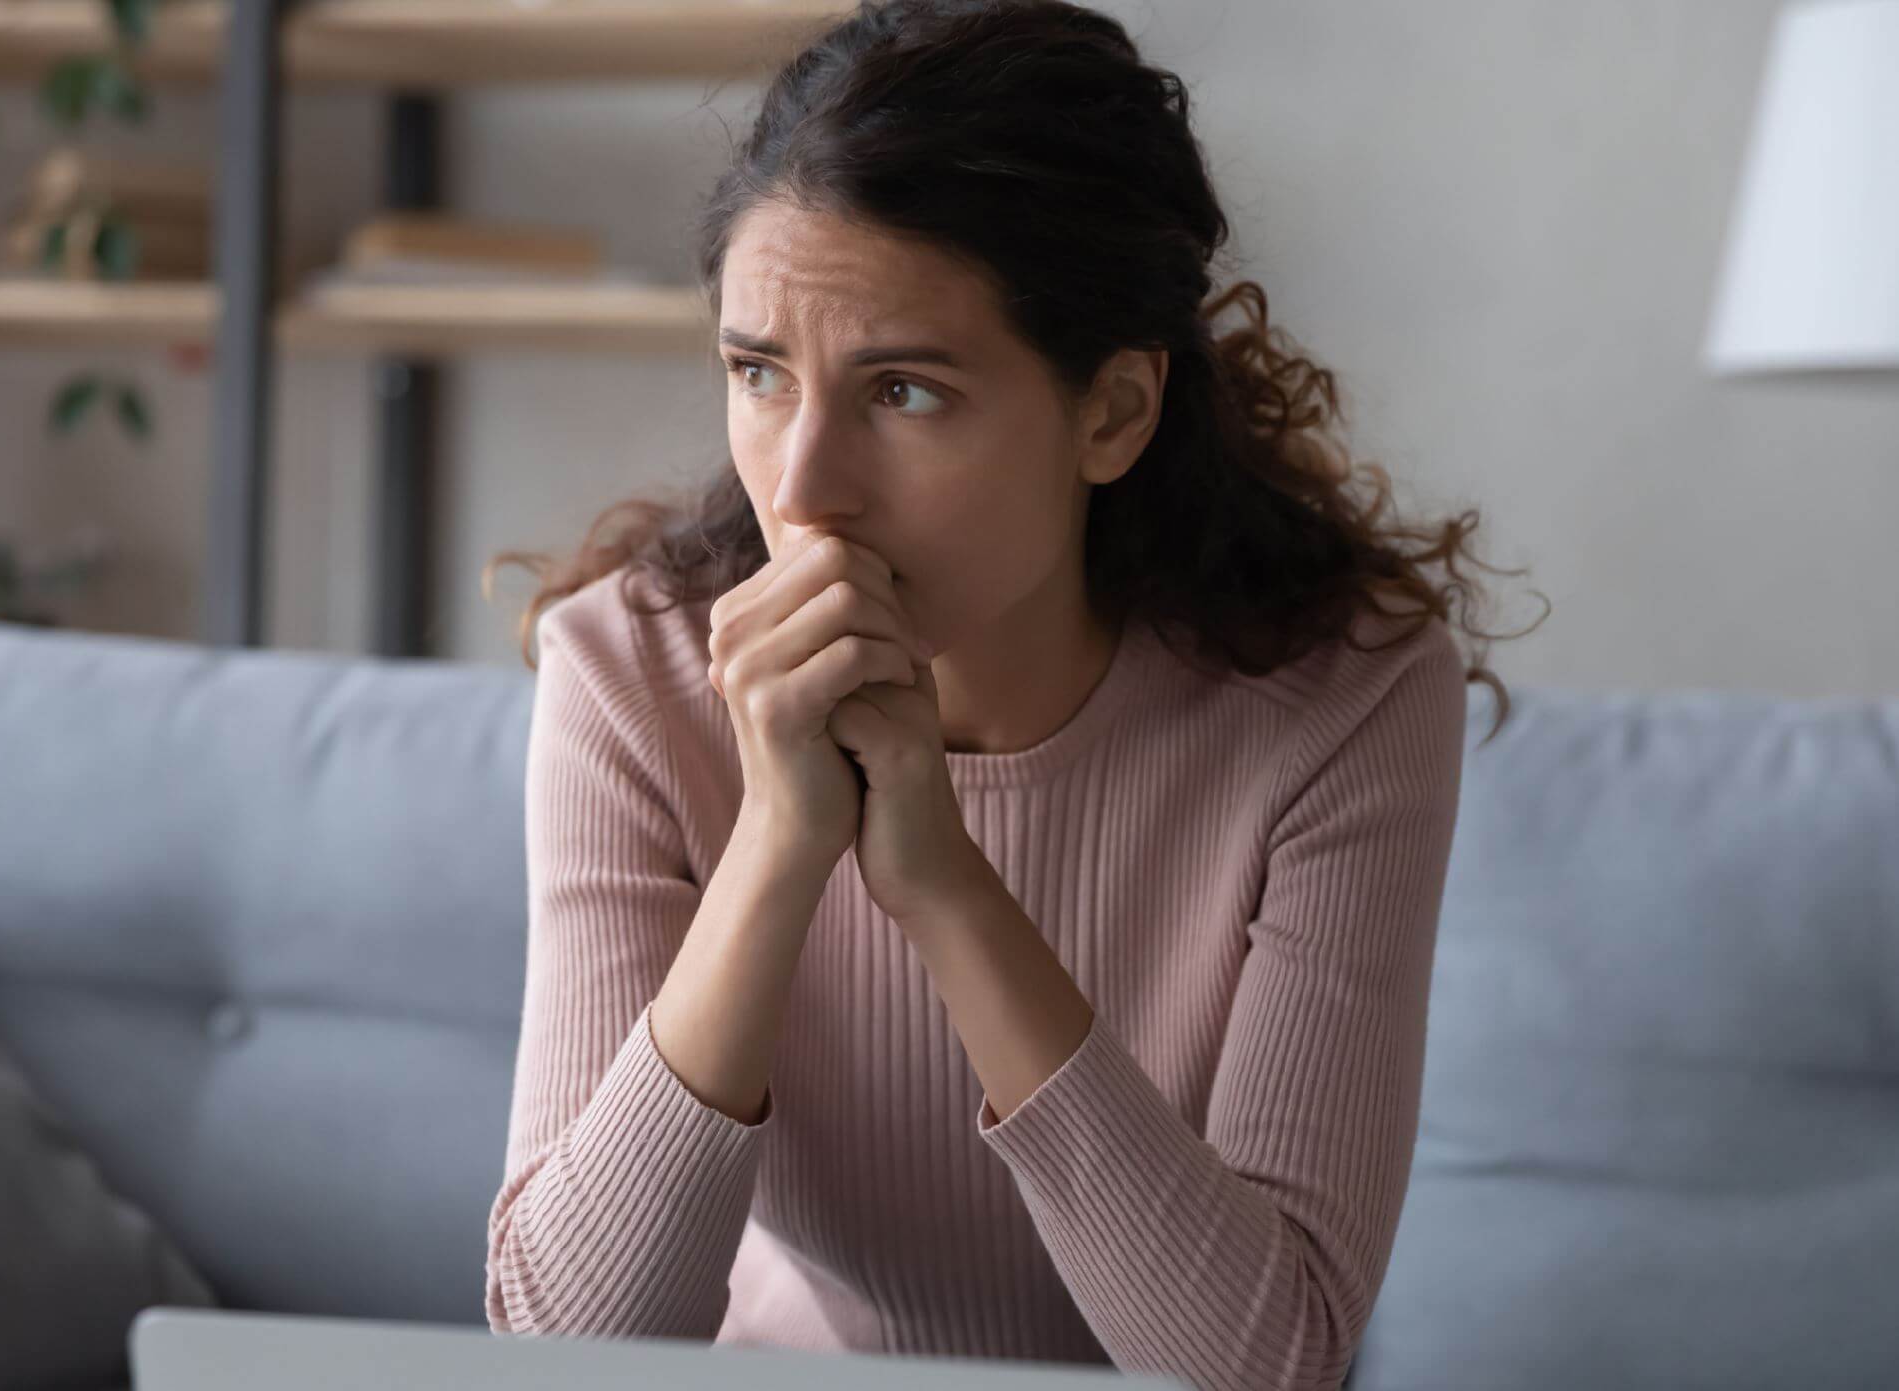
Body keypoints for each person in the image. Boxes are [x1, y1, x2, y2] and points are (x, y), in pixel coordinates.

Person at [481, 3, 1541, 1389]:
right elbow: (560, 1342)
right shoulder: (631, 676)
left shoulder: (1339, 704)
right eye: (757, 373)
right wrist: (780, 846)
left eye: (905, 392)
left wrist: (943, 883)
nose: (801, 488)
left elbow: (1264, 1363)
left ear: (1113, 413)